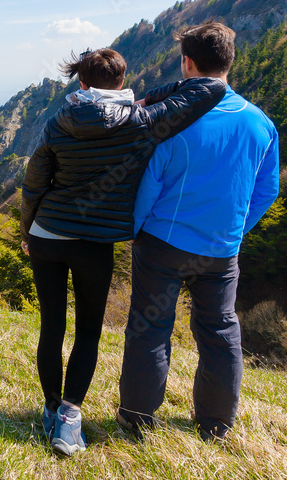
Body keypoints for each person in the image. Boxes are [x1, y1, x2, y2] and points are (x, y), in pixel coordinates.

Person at [20, 47, 227, 455]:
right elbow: (207, 90)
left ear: (81, 84)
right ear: (122, 84)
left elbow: (34, 182)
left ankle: (47, 408)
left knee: (51, 326)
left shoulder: (58, 122)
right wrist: (148, 97)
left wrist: (27, 231)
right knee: (88, 332)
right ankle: (68, 418)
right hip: (93, 244)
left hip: (47, 233)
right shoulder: (142, 122)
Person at [117, 20, 279, 442]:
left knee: (150, 329)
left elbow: (149, 185)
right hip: (221, 249)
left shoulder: (176, 121)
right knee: (220, 330)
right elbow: (267, 188)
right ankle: (216, 423)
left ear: (187, 63)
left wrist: (135, 231)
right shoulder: (260, 123)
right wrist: (235, 230)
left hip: (163, 243)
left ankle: (136, 418)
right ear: (229, 60)